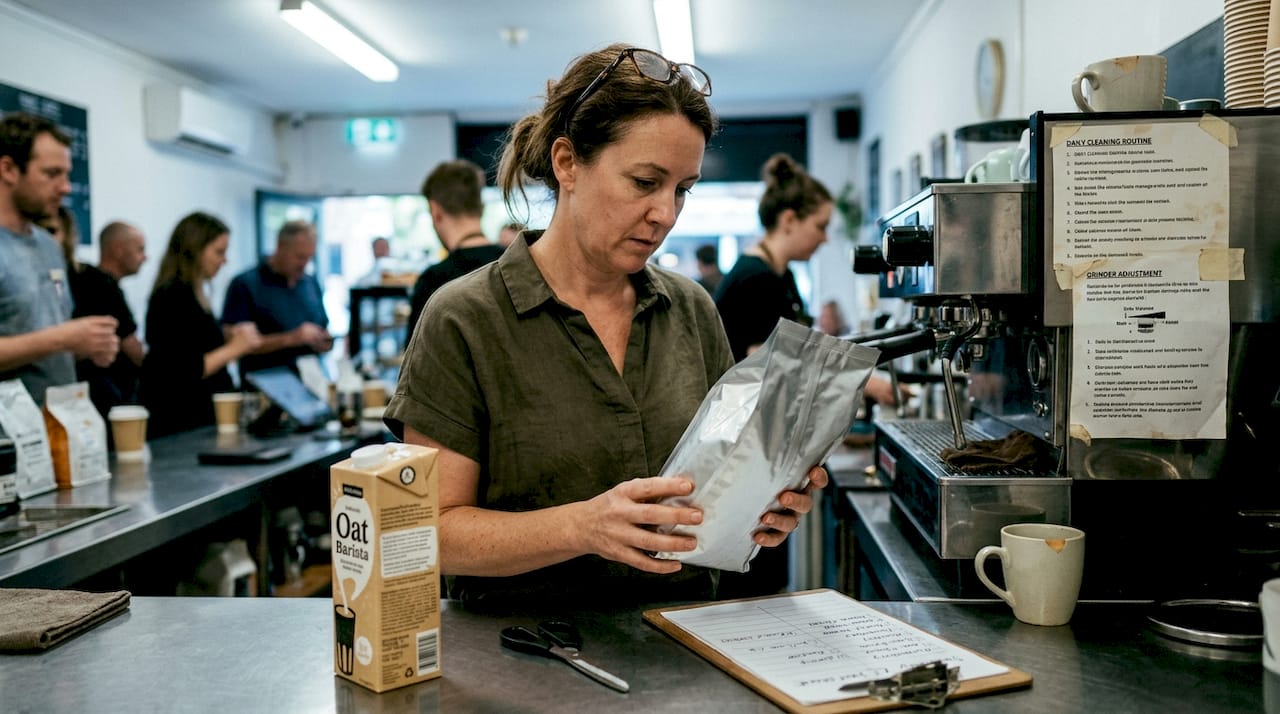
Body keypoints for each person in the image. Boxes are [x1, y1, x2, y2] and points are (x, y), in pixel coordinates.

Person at [384, 43, 827, 608]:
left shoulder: (691, 310)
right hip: (523, 658)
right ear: (568, 163)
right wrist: (582, 527)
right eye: (645, 182)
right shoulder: (465, 318)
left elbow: (717, 486)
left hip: (686, 648)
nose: (665, 213)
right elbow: (429, 532)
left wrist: (760, 509)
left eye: (682, 190)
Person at [0, 112, 117, 405]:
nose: (66, 187)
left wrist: (86, 345)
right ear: (9, 170)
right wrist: (63, 339)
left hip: (60, 424)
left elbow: (41, 345)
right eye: (52, 174)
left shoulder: (49, 246)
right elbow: (53, 339)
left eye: (67, 174)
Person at [139, 211, 261, 437]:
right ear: (194, 250)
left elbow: (195, 344)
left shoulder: (193, 294)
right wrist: (235, 348)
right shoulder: (172, 297)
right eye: (219, 252)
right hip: (180, 423)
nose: (224, 260)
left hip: (199, 419)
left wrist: (227, 338)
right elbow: (182, 369)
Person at [38, 210, 145, 419]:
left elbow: (118, 343)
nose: (38, 239)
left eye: (51, 231)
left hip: (93, 397)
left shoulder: (92, 280)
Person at [406, 159, 505, 333]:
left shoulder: (433, 281)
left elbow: (416, 358)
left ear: (435, 210)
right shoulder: (514, 264)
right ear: (481, 207)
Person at [221, 219, 331, 375]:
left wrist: (323, 341)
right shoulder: (245, 284)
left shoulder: (310, 283)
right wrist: (292, 338)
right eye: (299, 257)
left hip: (311, 382)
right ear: (280, 247)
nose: (304, 264)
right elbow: (235, 345)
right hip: (265, 384)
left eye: (309, 258)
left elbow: (322, 326)